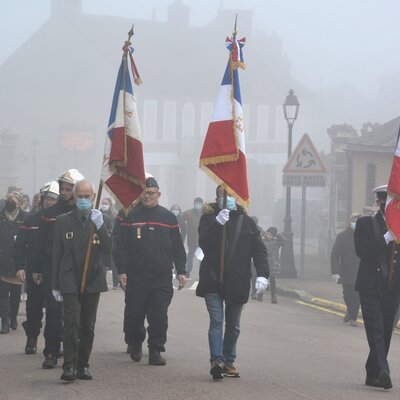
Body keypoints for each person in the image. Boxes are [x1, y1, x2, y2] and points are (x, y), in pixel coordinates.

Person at [196, 186, 269, 380]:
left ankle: (228, 361)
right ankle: (216, 360)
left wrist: (263, 274)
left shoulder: (247, 222)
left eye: (229, 196)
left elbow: (259, 250)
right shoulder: (209, 218)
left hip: (237, 280)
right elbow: (204, 242)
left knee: (234, 325)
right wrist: (217, 224)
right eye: (222, 195)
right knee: (217, 321)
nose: (226, 198)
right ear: (217, 197)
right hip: (213, 279)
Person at [115, 177, 187, 366]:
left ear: (158, 195)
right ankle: (136, 342)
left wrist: (181, 271)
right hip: (137, 276)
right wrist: (122, 270)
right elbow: (122, 246)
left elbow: (178, 247)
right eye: (145, 193)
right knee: (135, 312)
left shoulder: (169, 218)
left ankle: (155, 349)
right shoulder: (132, 217)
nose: (148, 196)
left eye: (151, 193)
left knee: (159, 314)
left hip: (161, 276)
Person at [52, 179, 111, 381]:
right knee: (71, 323)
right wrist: (55, 285)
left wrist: (101, 226)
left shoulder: (100, 220)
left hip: (93, 279)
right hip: (69, 279)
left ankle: (83, 365)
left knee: (87, 326)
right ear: (75, 197)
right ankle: (68, 366)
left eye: (87, 196)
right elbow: (56, 255)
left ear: (94, 197)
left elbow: (109, 249)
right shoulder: (62, 221)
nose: (84, 200)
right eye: (80, 196)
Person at [32, 168, 85, 369]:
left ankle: (75, 354)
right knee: (53, 313)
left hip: (77, 270)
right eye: (62, 188)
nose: (63, 192)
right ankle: (51, 352)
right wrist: (36, 268)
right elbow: (39, 242)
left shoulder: (85, 212)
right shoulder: (50, 213)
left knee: (76, 315)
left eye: (67, 189)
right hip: (53, 269)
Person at [354, 184, 400, 390]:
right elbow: (362, 251)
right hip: (370, 285)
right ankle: (383, 370)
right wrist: (386, 238)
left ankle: (372, 372)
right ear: (379, 203)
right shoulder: (365, 224)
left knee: (386, 332)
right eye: (387, 203)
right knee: (376, 329)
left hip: (392, 287)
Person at [14, 181, 59, 354]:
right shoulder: (31, 220)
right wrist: (20, 267)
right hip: (34, 274)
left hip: (56, 273)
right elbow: (19, 246)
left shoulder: (64, 220)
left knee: (57, 312)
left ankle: (55, 343)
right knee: (33, 309)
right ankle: (32, 338)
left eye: (53, 199)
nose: (49, 202)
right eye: (47, 198)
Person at [0, 191, 27, 333]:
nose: (10, 203)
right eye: (9, 200)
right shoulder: (1, 215)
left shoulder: (25, 217)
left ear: (20, 204)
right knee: (3, 293)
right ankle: (4, 322)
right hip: (2, 260)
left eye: (14, 201)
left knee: (15, 294)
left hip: (17, 263)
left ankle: (13, 317)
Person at [331, 213, 361, 326]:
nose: (355, 224)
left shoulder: (365, 236)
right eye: (354, 221)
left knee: (357, 296)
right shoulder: (342, 236)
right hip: (346, 271)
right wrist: (335, 272)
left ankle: (353, 317)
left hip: (360, 272)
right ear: (350, 222)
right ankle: (350, 310)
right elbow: (334, 254)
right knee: (347, 294)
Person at [181, 197, 203, 278]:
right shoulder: (188, 213)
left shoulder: (204, 213)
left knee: (201, 257)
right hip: (192, 239)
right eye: (196, 203)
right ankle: (188, 271)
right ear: (194, 204)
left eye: (199, 203)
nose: (198, 205)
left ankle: (202, 272)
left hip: (202, 239)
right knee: (190, 256)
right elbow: (181, 220)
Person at [263, 227, 286, 304]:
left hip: (273, 263)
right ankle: (259, 294)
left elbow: (285, 242)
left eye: (270, 234)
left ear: (273, 235)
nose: (268, 235)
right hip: (264, 262)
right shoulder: (263, 240)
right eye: (267, 233)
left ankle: (273, 296)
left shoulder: (276, 242)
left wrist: (279, 235)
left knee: (272, 279)